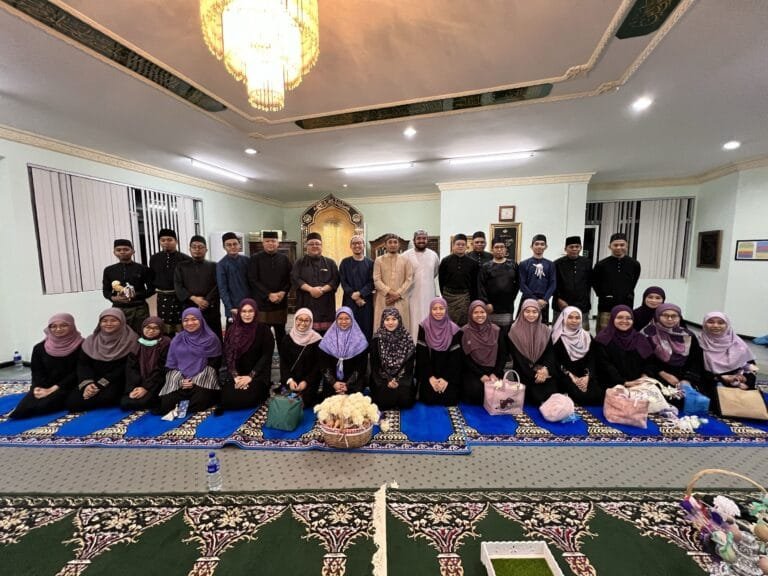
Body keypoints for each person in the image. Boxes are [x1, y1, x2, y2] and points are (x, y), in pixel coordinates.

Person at [9, 313, 83, 419]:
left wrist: (52, 389)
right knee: (23, 409)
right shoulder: (39, 348)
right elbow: (37, 372)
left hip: (71, 385)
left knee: (44, 406)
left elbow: (77, 372)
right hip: (46, 384)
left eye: (63, 325)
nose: (58, 329)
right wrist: (36, 388)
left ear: (72, 326)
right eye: (53, 326)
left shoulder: (82, 345)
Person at [67, 309, 139, 412]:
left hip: (117, 379)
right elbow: (83, 365)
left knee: (107, 397)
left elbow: (124, 367)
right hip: (93, 379)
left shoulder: (131, 340)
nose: (108, 324)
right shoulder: (91, 340)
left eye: (113, 320)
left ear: (122, 322)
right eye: (104, 321)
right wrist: (88, 384)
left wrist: (100, 384)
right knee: (72, 402)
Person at [158, 307, 222, 414]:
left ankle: (182, 407)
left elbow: (214, 363)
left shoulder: (211, 339)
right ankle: (184, 405)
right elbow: (171, 364)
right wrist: (181, 380)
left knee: (200, 401)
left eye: (194, 319)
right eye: (186, 320)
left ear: (200, 320)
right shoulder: (177, 339)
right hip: (180, 377)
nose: (190, 323)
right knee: (166, 403)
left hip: (202, 377)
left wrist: (195, 379)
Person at [218, 298, 275, 412]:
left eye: (250, 311)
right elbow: (228, 355)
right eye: (244, 311)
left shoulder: (264, 330)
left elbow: (266, 356)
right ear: (239, 313)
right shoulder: (232, 330)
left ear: (255, 312)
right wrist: (235, 376)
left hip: (257, 375)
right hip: (237, 374)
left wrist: (250, 377)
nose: (247, 314)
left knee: (248, 398)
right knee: (226, 398)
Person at [698, 311, 759, 412]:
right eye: (711, 322)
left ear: (727, 325)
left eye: (721, 323)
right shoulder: (700, 343)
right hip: (712, 381)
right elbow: (697, 370)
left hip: (738, 382)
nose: (715, 325)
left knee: (748, 404)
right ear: (704, 324)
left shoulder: (738, 344)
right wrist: (721, 378)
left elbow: (751, 368)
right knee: (716, 403)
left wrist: (746, 382)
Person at [640, 304, 704, 391]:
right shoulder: (647, 334)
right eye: (665, 315)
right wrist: (663, 374)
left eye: (674, 316)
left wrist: (687, 379)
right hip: (656, 374)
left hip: (684, 376)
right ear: (657, 316)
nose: (670, 319)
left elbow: (695, 360)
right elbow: (645, 360)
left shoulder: (688, 335)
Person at [507, 299, 558, 406]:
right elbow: (518, 359)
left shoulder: (545, 330)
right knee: (536, 397)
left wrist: (545, 370)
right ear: (522, 312)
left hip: (542, 371)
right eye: (527, 311)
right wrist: (534, 374)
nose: (531, 315)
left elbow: (550, 354)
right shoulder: (514, 331)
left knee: (552, 392)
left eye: (534, 312)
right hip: (524, 371)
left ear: (539, 313)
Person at [415, 297, 463, 406]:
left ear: (446, 310)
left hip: (448, 375)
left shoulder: (454, 329)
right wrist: (430, 377)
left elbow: (455, 358)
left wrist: (445, 379)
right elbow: (421, 355)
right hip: (430, 373)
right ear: (430, 310)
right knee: (429, 398)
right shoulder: (424, 327)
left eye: (441, 308)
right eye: (434, 309)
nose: (438, 312)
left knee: (450, 398)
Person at [551, 306, 603, 405]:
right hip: (565, 375)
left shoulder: (587, 336)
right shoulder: (556, 338)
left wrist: (587, 377)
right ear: (564, 318)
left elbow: (592, 359)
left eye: (577, 318)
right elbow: (555, 362)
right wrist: (572, 377)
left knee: (598, 395)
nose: (574, 321)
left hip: (584, 375)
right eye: (570, 317)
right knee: (577, 395)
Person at [593, 305, 653, 389]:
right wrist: (624, 382)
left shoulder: (640, 338)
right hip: (611, 384)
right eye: (619, 317)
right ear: (612, 319)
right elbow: (604, 366)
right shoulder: (602, 339)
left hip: (639, 383)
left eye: (628, 318)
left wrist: (644, 376)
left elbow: (649, 361)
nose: (624, 321)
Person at [102, 239, 155, 334]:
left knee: (141, 334)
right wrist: (114, 298)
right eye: (118, 250)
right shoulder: (109, 270)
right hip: (118, 308)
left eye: (126, 249)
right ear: (114, 252)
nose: (122, 252)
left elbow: (152, 289)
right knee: (119, 334)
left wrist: (135, 295)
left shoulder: (143, 269)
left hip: (139, 308)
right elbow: (106, 291)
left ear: (133, 251)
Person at [174, 235, 222, 341]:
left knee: (213, 335)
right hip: (189, 305)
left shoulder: (214, 266)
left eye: (200, 247)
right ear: (190, 249)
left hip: (210, 306)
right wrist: (194, 299)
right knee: (192, 336)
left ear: (206, 249)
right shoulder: (181, 266)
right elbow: (178, 286)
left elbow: (218, 285)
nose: (197, 249)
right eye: (194, 247)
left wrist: (206, 301)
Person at [291, 232, 340, 333]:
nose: (314, 246)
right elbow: (295, 278)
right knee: (306, 332)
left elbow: (335, 279)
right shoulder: (299, 262)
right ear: (307, 246)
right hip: (305, 301)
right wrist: (310, 289)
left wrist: (322, 290)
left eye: (317, 244)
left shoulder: (330, 263)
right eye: (311, 244)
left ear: (321, 246)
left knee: (326, 334)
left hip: (326, 303)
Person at [592, 232, 642, 333]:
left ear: (627, 246)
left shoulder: (634, 264)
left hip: (626, 304)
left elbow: (633, 282)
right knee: (604, 333)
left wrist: (627, 294)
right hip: (606, 306)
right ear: (610, 246)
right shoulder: (601, 265)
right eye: (615, 245)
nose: (619, 247)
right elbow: (595, 282)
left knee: (623, 333)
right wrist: (604, 295)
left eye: (622, 245)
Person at [249, 231, 292, 345]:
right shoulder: (255, 258)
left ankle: (283, 356)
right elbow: (253, 280)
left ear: (278, 243)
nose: (270, 243)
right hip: (262, 303)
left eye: (273, 241)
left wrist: (283, 292)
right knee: (262, 335)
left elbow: (290, 278)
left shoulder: (284, 259)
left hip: (280, 302)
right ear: (263, 243)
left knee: (281, 333)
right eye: (267, 241)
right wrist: (268, 294)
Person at [460, 300, 506, 405]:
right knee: (475, 393)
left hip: (494, 370)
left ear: (486, 313)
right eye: (475, 312)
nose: (479, 315)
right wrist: (481, 375)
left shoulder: (496, 330)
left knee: (497, 391)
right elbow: (465, 358)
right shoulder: (464, 331)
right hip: (474, 371)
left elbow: (503, 355)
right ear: (470, 314)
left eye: (482, 312)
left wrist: (495, 373)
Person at [370, 308, 417, 410]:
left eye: (394, 319)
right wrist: (388, 380)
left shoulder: (406, 338)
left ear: (399, 320)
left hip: (402, 379)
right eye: (387, 319)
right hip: (382, 379)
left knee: (405, 401)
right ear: (383, 321)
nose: (390, 322)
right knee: (383, 401)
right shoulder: (377, 339)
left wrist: (398, 380)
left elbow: (409, 366)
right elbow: (375, 365)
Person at [121, 316, 171, 410]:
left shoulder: (165, 343)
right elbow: (131, 368)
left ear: (161, 329)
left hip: (157, 382)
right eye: (148, 327)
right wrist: (134, 387)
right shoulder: (137, 343)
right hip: (139, 382)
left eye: (155, 328)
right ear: (142, 328)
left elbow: (161, 369)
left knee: (144, 402)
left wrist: (146, 387)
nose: (151, 331)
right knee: (125, 402)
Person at [319, 307, 369, 397]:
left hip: (353, 384)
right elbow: (324, 365)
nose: (343, 321)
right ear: (336, 320)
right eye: (340, 318)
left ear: (352, 319)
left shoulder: (360, 340)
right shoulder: (328, 339)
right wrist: (334, 383)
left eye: (347, 318)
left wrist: (348, 385)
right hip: (332, 383)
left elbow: (361, 367)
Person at [149, 228, 191, 335]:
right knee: (164, 327)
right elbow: (152, 277)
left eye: (169, 240)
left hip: (180, 298)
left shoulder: (185, 259)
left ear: (176, 241)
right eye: (163, 240)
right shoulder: (154, 258)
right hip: (162, 297)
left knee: (183, 325)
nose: (166, 243)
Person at [279, 308, 323, 408]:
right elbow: (284, 363)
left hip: (309, 381)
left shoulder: (317, 340)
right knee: (287, 400)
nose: (303, 323)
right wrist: (290, 380)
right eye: (300, 319)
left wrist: (306, 382)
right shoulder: (287, 339)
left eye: (306, 320)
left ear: (311, 322)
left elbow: (318, 366)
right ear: (295, 320)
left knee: (303, 401)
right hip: (291, 380)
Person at [402, 229, 440, 343]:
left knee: (428, 318)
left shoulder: (433, 255)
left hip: (429, 294)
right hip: (411, 295)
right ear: (414, 240)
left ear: (427, 240)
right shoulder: (405, 255)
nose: (421, 241)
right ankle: (412, 346)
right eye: (419, 238)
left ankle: (428, 345)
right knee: (412, 321)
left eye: (424, 238)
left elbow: (435, 272)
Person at [373, 233, 414, 332]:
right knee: (382, 325)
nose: (393, 245)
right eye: (390, 242)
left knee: (401, 326)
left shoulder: (406, 260)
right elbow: (376, 279)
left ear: (398, 244)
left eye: (395, 242)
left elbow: (409, 279)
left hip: (400, 299)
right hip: (384, 299)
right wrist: (391, 293)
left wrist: (397, 294)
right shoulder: (379, 260)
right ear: (385, 245)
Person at [478, 237, 519, 331]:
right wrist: (486, 302)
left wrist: (511, 298)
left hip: (507, 306)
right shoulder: (486, 266)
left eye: (502, 247)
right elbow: (481, 286)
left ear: (505, 249)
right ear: (492, 249)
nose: (499, 249)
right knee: (491, 331)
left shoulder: (513, 264)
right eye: (496, 247)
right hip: (491, 306)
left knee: (506, 331)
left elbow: (517, 284)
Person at [339, 235, 374, 340]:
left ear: (363, 245)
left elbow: (372, 282)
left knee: (366, 327)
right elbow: (343, 281)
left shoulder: (371, 263)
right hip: (349, 300)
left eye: (359, 243)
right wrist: (353, 295)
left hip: (366, 301)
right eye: (354, 243)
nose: (357, 245)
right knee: (349, 325)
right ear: (350, 246)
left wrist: (360, 294)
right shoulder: (345, 262)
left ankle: (365, 349)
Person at [438, 234, 479, 326]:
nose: (460, 246)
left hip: (464, 297)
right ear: (453, 246)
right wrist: (444, 294)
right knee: (448, 322)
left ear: (466, 246)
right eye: (458, 244)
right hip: (448, 297)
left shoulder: (473, 263)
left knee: (463, 323)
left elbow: (474, 283)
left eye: (463, 244)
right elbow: (441, 280)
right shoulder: (445, 261)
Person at [553, 236, 592, 330]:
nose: (574, 249)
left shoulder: (587, 263)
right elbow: (553, 283)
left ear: (580, 248)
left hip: (582, 304)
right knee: (559, 331)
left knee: (582, 332)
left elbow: (589, 282)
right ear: (565, 249)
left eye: (577, 246)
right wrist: (558, 298)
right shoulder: (557, 263)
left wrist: (584, 299)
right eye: (571, 247)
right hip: (562, 303)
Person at [518, 234, 556, 324]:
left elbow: (553, 283)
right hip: (527, 299)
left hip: (543, 301)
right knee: (524, 326)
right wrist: (534, 299)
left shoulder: (550, 264)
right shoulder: (524, 264)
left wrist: (545, 299)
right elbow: (522, 284)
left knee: (542, 326)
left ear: (546, 247)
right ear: (531, 246)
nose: (539, 246)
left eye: (542, 244)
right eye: (537, 244)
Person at [216, 232, 250, 323]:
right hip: (233, 307)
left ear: (239, 245)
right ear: (224, 247)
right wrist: (230, 307)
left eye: (235, 244)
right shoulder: (221, 265)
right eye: (229, 245)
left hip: (249, 304)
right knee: (234, 331)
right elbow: (222, 289)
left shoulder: (247, 261)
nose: (232, 247)